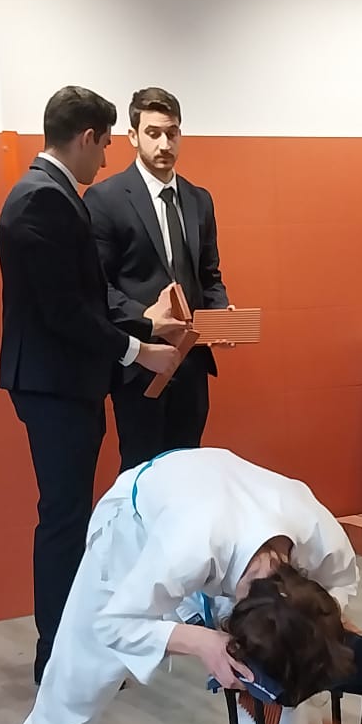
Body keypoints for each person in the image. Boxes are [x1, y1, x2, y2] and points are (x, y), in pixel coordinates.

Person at [0, 448, 358, 724]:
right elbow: (113, 625)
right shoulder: (186, 546)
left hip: (217, 512)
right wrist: (203, 641)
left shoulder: (319, 535)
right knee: (85, 659)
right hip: (137, 525)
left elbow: (341, 586)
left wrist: (318, 638)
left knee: (269, 680)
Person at [0, 85, 193, 681]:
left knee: (72, 514)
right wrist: (140, 349)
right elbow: (67, 312)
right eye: (105, 144)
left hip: (65, 383)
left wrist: (147, 322)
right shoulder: (42, 200)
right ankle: (58, 656)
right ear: (86, 138)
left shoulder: (54, 193)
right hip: (54, 385)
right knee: (65, 519)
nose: (105, 158)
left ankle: (71, 645)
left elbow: (84, 296)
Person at [90, 85, 230, 470]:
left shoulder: (199, 199)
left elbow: (209, 276)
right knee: (143, 471)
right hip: (140, 363)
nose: (164, 144)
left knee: (188, 470)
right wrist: (147, 319)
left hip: (192, 365)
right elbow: (99, 287)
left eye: (172, 132)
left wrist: (222, 318)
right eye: (153, 133)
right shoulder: (105, 199)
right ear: (133, 136)